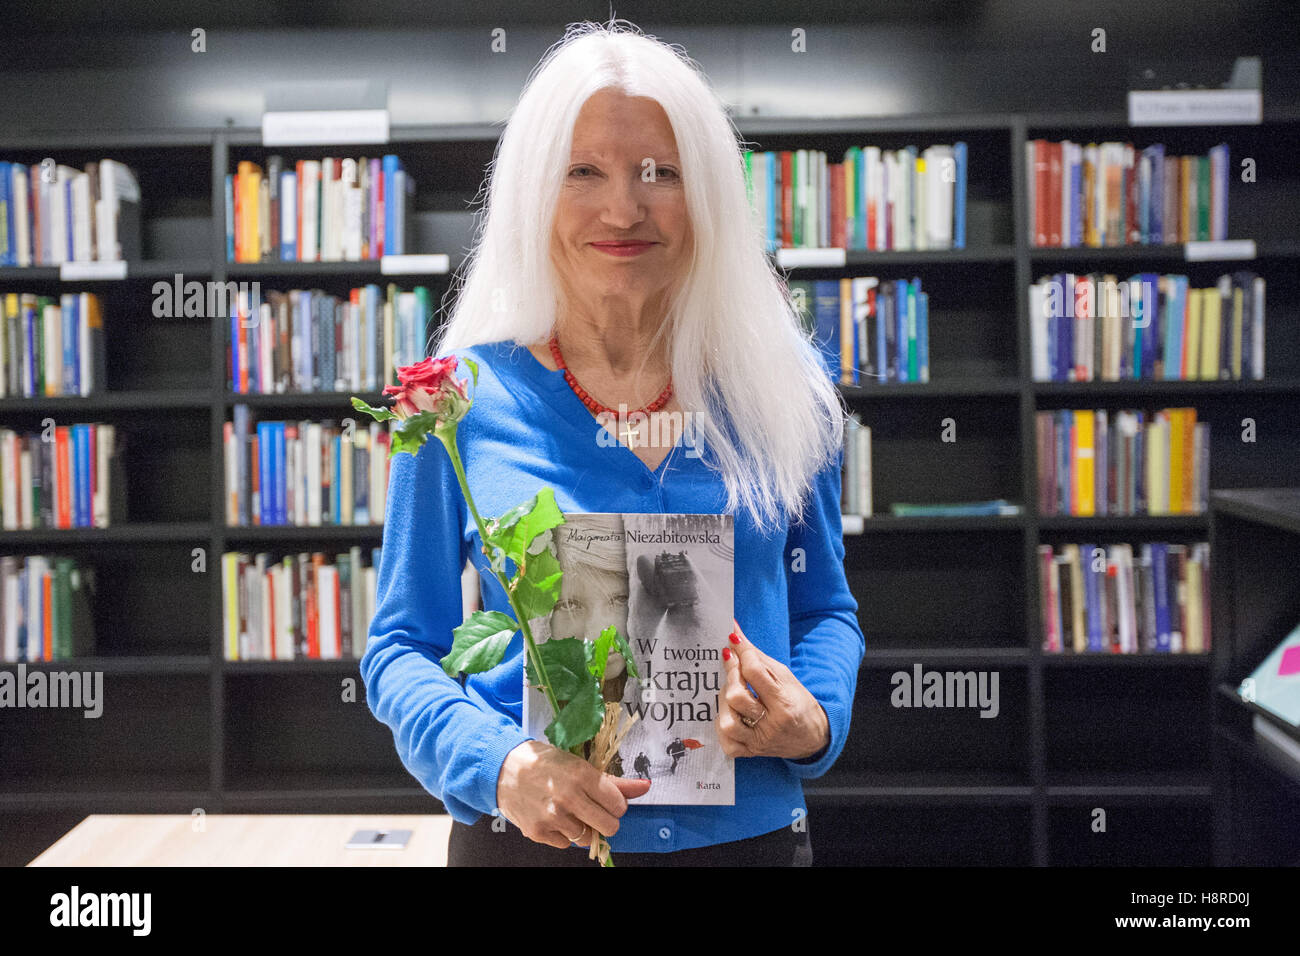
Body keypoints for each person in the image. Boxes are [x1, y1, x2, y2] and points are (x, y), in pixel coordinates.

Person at [362, 18, 865, 867]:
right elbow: (400, 647)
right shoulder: (460, 401)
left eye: (659, 173)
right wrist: (502, 765)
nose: (623, 208)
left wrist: (815, 717)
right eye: (583, 171)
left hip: (745, 844)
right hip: (528, 845)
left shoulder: (777, 391)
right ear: (533, 192)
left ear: (705, 192)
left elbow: (826, 611)